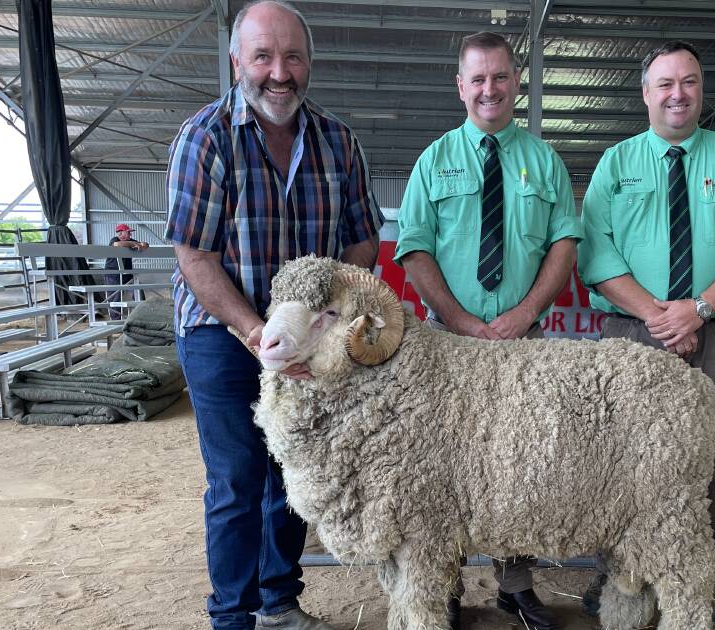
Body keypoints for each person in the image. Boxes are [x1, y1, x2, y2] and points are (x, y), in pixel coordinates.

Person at [165, 2, 382, 628]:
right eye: (263, 56)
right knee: (237, 478)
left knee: (295, 465)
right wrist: (258, 333)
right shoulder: (205, 138)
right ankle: (232, 617)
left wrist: (325, 325)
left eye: (292, 56)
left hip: (307, 339)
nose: (278, 72)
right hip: (222, 330)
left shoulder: (338, 141)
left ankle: (278, 603)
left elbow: (362, 241)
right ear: (238, 62)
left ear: (308, 62)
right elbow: (195, 256)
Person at [576, 40, 715, 629]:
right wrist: (662, 318)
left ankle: (706, 584)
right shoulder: (616, 163)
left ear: (700, 89)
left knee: (704, 463)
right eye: (665, 83)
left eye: (688, 81)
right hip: (629, 338)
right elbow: (597, 252)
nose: (677, 94)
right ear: (645, 94)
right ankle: (616, 579)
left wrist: (698, 310)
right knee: (616, 460)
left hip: (711, 333)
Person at [393, 30, 581, 630]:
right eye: (477, 78)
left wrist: (524, 313)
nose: (489, 89)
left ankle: (515, 584)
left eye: (500, 76)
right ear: (460, 87)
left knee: (517, 463)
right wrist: (459, 319)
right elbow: (414, 250)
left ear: (516, 83)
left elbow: (563, 245)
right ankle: (443, 581)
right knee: (439, 464)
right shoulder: (434, 160)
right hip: (445, 347)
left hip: (521, 346)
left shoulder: (543, 161)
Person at [105, 223, 148, 314]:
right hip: (113, 275)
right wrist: (133, 243)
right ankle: (115, 322)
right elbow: (117, 244)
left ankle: (141, 315)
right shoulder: (115, 240)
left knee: (139, 294)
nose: (130, 234)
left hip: (128, 275)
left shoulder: (131, 240)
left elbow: (144, 244)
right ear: (120, 233)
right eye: (128, 232)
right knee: (115, 299)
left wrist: (143, 244)